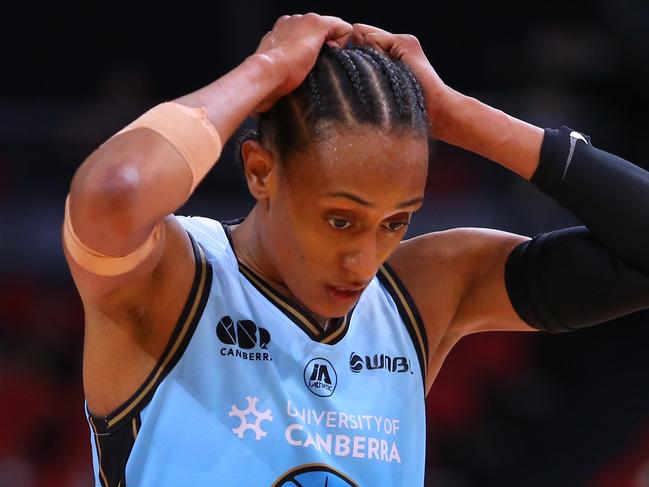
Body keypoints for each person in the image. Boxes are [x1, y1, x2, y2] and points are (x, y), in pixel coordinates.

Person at [62, 13, 649, 487]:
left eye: (395, 222)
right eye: (341, 219)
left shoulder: (422, 294)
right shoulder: (171, 281)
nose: (364, 261)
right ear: (261, 172)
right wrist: (266, 71)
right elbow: (115, 193)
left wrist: (456, 114)